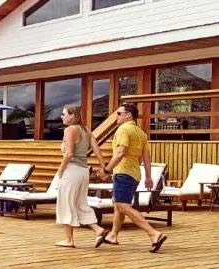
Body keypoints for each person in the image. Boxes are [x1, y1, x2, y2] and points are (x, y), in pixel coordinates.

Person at [101, 103, 167, 252]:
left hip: (123, 173)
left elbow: (120, 152)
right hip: (135, 174)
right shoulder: (141, 133)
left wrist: (106, 169)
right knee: (119, 206)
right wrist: (148, 177)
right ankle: (113, 235)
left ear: (128, 115)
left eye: (118, 113)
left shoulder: (123, 129)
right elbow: (146, 158)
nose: (116, 116)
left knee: (123, 206)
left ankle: (153, 233)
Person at [53, 105, 109, 248]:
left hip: (71, 171)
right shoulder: (86, 130)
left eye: (64, 114)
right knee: (79, 204)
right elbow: (96, 148)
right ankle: (98, 230)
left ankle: (68, 240)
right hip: (84, 171)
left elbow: (69, 154)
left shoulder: (70, 130)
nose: (62, 116)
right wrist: (104, 168)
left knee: (66, 203)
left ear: (72, 116)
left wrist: (60, 169)